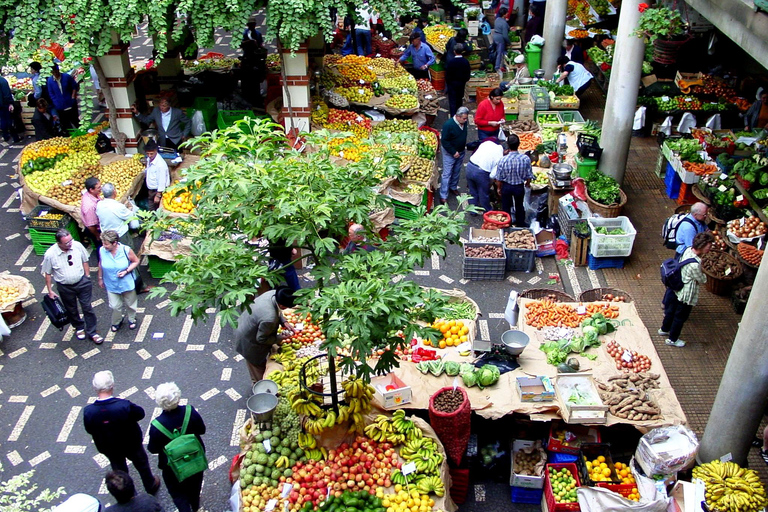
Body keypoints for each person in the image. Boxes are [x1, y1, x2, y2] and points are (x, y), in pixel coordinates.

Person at [84, 371, 161, 495]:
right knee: (141, 464)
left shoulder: (89, 411)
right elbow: (140, 413)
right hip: (131, 443)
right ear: (112, 386)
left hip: (109, 447)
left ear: (95, 388)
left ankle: (129, 494)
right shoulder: (123, 405)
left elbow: (89, 429)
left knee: (119, 469)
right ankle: (150, 484)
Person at [148, 383, 206, 512]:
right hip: (194, 460)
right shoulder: (190, 412)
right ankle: (195, 506)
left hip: (172, 469)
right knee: (195, 488)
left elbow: (153, 449)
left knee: (178, 494)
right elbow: (202, 430)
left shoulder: (156, 426)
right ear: (178, 397)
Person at [42, 229, 103, 344]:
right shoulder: (50, 255)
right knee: (71, 308)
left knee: (87, 307)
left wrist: (87, 276)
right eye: (67, 243)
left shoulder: (77, 246)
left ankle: (92, 331)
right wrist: (50, 290)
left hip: (82, 282)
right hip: (65, 287)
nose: (70, 244)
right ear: (59, 243)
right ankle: (79, 327)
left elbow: (85, 260)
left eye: (71, 240)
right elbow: (48, 273)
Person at [659, 231, 714, 348]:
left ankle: (664, 329)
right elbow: (702, 279)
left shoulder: (688, 249)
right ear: (702, 246)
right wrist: (705, 275)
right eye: (709, 246)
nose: (710, 249)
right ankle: (673, 339)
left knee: (671, 311)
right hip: (685, 292)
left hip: (676, 286)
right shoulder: (696, 264)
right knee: (680, 317)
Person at [234, 286, 296, 383]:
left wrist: (284, 322)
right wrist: (280, 338)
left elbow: (277, 311)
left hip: (247, 323)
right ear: (283, 306)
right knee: (258, 368)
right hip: (249, 341)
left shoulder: (272, 294)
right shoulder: (269, 318)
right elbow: (261, 339)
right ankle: (260, 386)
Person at [98, 230, 140, 332]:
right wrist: (100, 278)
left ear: (115, 243)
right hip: (111, 283)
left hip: (126, 282)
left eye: (106, 244)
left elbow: (136, 261)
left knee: (130, 303)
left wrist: (126, 271)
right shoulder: (102, 250)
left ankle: (132, 319)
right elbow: (100, 264)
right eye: (103, 243)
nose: (104, 246)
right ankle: (117, 321)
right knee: (115, 306)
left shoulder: (126, 250)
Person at [493, 133, 533, 227]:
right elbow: (529, 175)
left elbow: (499, 177)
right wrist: (527, 183)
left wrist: (499, 188)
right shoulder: (525, 159)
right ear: (519, 144)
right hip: (519, 187)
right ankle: (520, 224)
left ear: (508, 145)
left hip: (506, 187)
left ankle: (507, 224)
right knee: (519, 206)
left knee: (506, 207)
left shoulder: (503, 160)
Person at [467, 138, 507, 213]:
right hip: (481, 172)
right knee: (483, 193)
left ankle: (472, 211)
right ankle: (488, 211)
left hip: (470, 166)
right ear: (506, 151)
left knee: (473, 191)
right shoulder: (500, 157)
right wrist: (490, 183)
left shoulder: (488, 143)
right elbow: (492, 175)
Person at [439, 107, 469, 205]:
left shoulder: (463, 123)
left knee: (456, 171)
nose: (466, 120)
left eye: (466, 118)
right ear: (458, 116)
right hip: (450, 153)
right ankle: (443, 195)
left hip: (460, 151)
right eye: (464, 119)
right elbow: (444, 141)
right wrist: (453, 152)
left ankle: (453, 187)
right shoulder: (449, 125)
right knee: (447, 174)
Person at [96, 183, 138, 249]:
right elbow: (130, 216)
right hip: (120, 235)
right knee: (126, 251)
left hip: (107, 235)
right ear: (114, 192)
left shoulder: (99, 205)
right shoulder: (118, 206)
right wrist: (130, 209)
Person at [46, 65, 79, 132]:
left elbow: (74, 87)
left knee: (75, 121)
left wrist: (72, 97)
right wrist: (56, 102)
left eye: (56, 72)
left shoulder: (66, 77)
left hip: (70, 103)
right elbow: (51, 93)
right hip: (60, 106)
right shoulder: (50, 81)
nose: (55, 74)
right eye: (53, 72)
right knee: (65, 123)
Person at [142, 140, 170, 211]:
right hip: (151, 190)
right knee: (151, 208)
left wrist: (158, 195)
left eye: (151, 153)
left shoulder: (160, 165)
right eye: (147, 153)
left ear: (156, 151)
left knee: (155, 209)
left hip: (156, 191)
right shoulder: (149, 159)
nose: (149, 155)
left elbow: (162, 181)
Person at [445, 43, 471, 116]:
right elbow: (467, 75)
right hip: (461, 84)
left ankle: (453, 116)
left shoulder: (451, 62)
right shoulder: (465, 62)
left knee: (452, 101)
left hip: (452, 85)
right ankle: (460, 114)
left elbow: (447, 75)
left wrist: (449, 83)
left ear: (454, 51)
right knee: (459, 99)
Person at [81, 177, 102, 249]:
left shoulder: (91, 195)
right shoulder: (89, 206)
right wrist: (97, 235)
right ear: (91, 190)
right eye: (98, 187)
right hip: (94, 230)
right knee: (100, 247)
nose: (101, 189)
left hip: (96, 226)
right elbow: (91, 226)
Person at [0, 75, 21, 143]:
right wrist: (10, 103)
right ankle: (15, 138)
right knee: (10, 120)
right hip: (4, 104)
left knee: (2, 120)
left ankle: (5, 136)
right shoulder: (2, 81)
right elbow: (7, 94)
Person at [492, 8, 511, 72]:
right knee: (500, 53)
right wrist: (509, 43)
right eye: (507, 13)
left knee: (497, 51)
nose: (508, 13)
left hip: (495, 37)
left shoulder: (497, 20)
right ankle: (497, 67)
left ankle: (501, 65)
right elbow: (505, 36)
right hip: (500, 39)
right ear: (504, 14)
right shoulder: (504, 23)